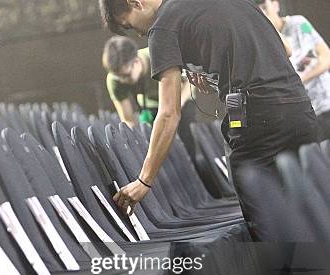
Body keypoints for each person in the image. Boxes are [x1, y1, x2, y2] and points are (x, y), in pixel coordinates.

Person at [100, 0, 317, 241]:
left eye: (129, 25)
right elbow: (285, 49)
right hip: (300, 109)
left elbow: (169, 113)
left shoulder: (162, 27)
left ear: (135, 2)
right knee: (312, 210)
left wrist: (144, 180)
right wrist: (209, 66)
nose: (139, 33)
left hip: (257, 121)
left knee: (266, 223)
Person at [103, 36, 198, 160]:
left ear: (136, 61)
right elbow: (128, 118)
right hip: (151, 104)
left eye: (126, 76)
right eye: (118, 76)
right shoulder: (115, 80)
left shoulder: (161, 58)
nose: (122, 80)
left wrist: (176, 107)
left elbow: (190, 82)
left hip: (179, 98)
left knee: (187, 142)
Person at [257, 0, 330, 141]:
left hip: (325, 102)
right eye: (259, 12)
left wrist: (300, 79)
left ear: (276, 5)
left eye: (265, 8)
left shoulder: (300, 24)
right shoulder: (266, 43)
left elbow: (326, 57)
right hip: (306, 115)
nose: (264, 14)